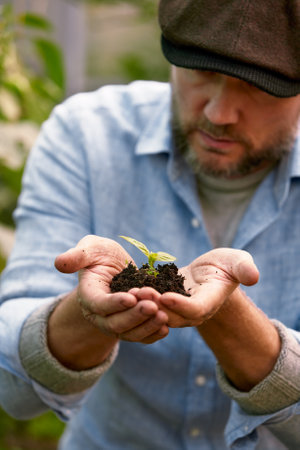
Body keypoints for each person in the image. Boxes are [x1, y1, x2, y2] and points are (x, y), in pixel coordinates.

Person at [0, 0, 300, 448]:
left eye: (256, 88)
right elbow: (12, 390)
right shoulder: (88, 134)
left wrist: (232, 320)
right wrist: (88, 315)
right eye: (202, 73)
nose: (219, 113)